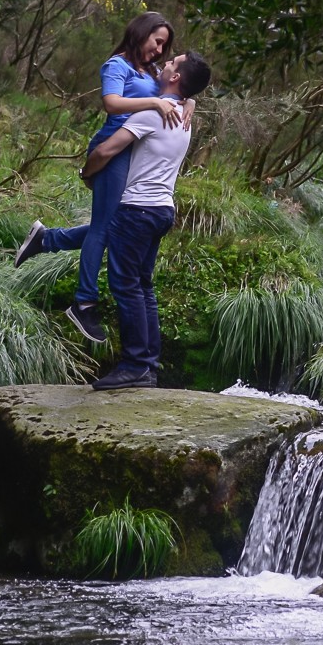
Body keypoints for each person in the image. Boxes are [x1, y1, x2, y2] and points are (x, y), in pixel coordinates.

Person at [12, 12, 192, 343]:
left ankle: (46, 240)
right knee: (104, 227)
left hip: (131, 147)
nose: (160, 50)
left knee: (113, 226)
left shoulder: (151, 71)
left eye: (165, 45)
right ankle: (83, 302)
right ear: (141, 33)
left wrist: (189, 99)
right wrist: (153, 101)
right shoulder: (117, 66)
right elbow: (111, 104)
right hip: (113, 145)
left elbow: (174, 87)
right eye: (157, 41)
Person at [77, 51, 212, 390]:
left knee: (126, 287)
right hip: (162, 209)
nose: (164, 64)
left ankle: (135, 365)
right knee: (143, 287)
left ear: (176, 77)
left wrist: (86, 171)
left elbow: (108, 150)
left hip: (136, 209)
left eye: (171, 63)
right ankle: (147, 366)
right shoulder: (183, 114)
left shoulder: (153, 113)